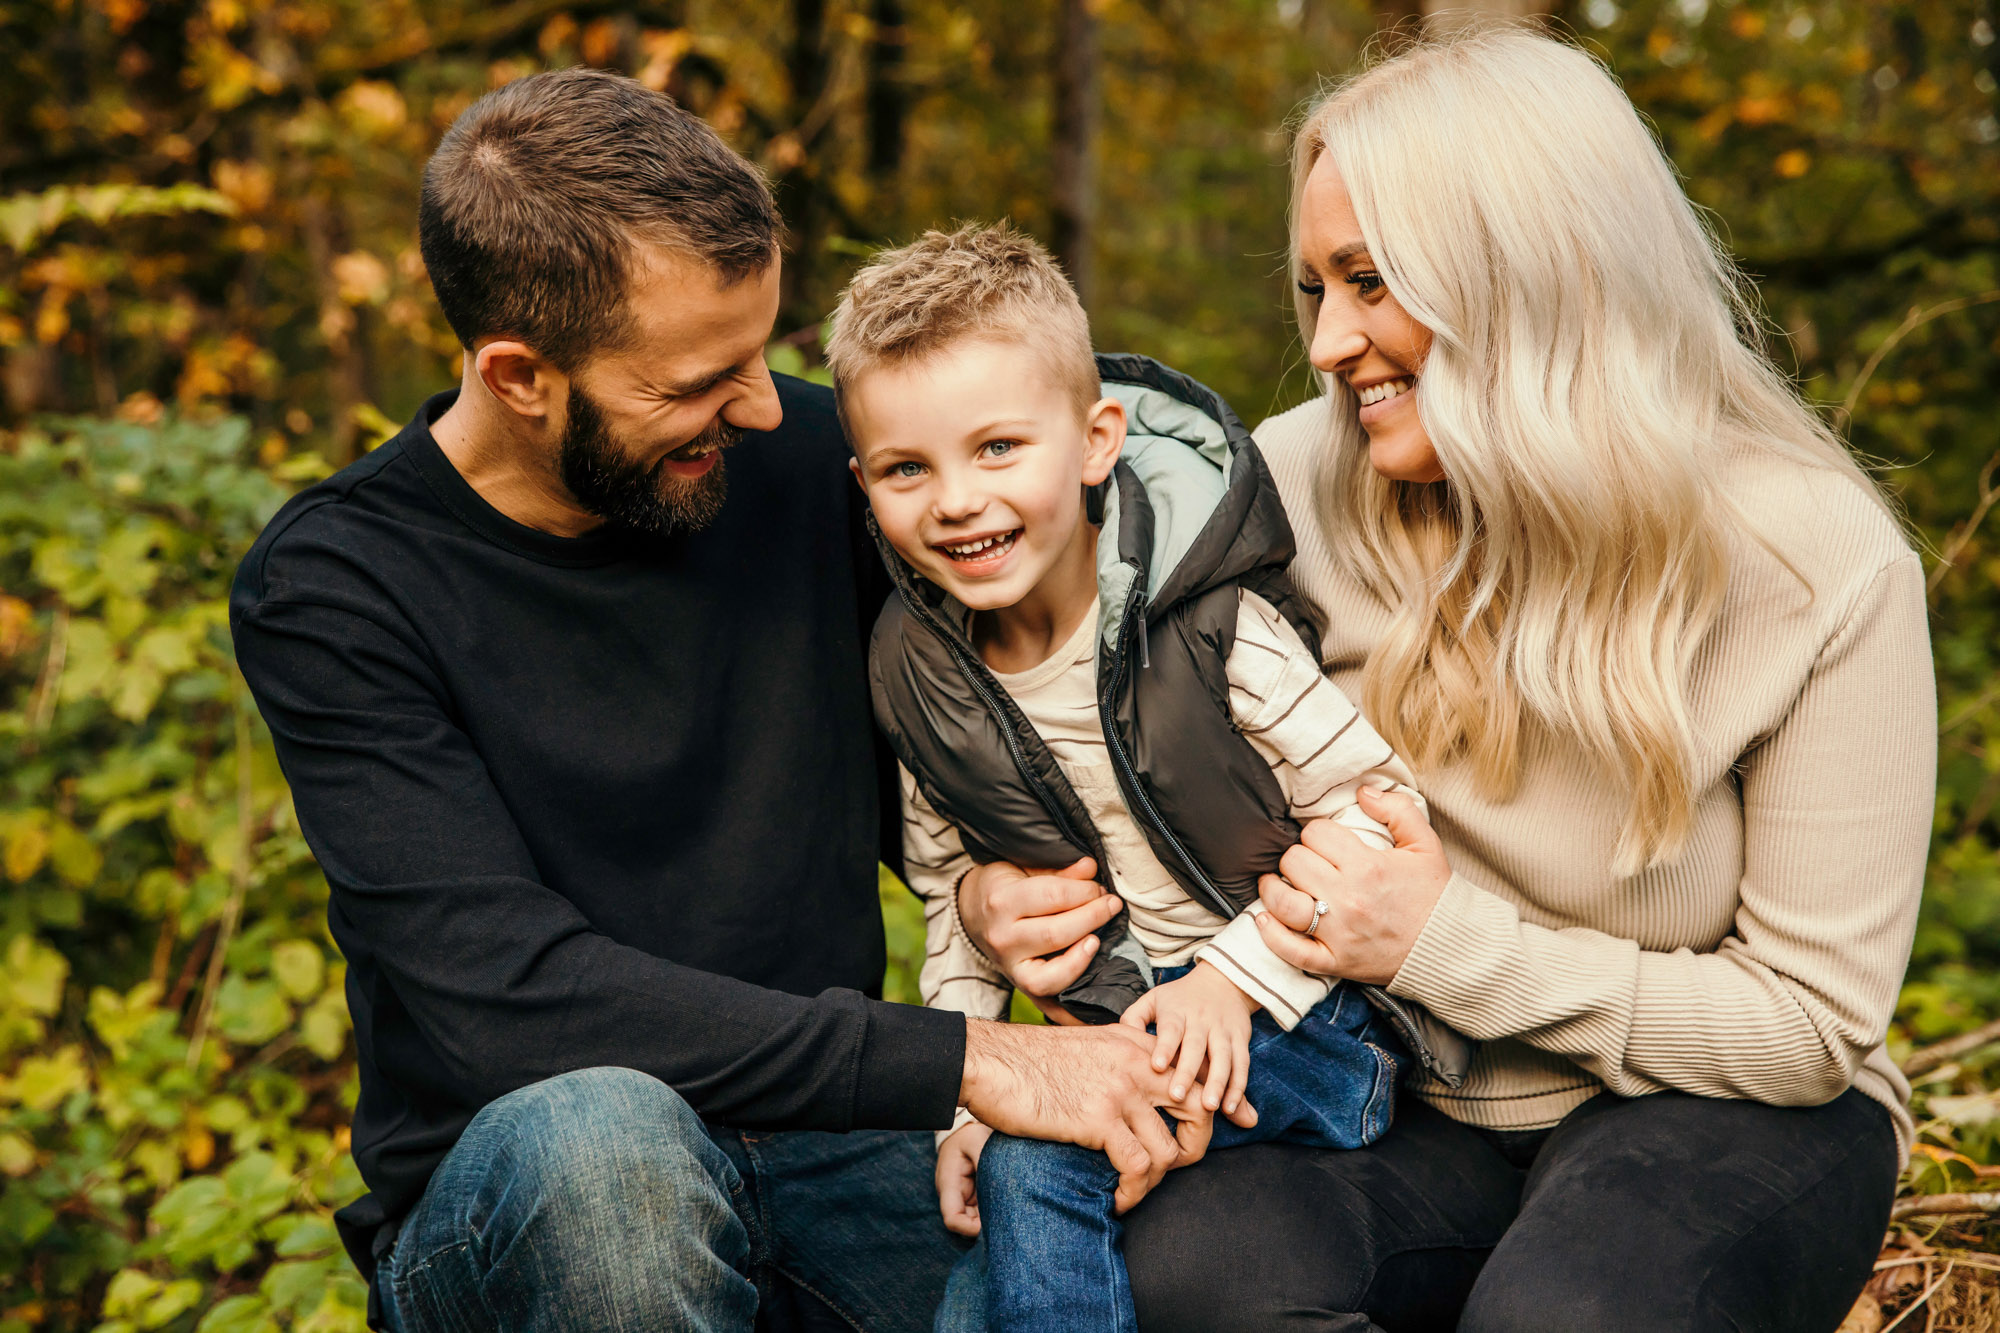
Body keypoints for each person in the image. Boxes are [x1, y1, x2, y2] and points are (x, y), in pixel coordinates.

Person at [953, 28, 1934, 1332]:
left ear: (1526, 270)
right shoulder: (1279, 486)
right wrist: (999, 890)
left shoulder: (1815, 558)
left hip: (1726, 1109)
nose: (1327, 341)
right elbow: (1072, 694)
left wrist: (1445, 944)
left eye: (1370, 280)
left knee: (1575, 1313)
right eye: (1315, 289)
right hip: (1383, 1085)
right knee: (1190, 1272)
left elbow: (1811, 1031)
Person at [230, 69, 1218, 1333]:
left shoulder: (821, 467)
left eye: (761, 352)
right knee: (608, 1144)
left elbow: (1037, 678)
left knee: (1107, 1256)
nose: (756, 406)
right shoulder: (339, 586)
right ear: (519, 374)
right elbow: (507, 1003)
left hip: (834, 1141)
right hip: (528, 1185)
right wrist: (977, 1057)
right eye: (697, 380)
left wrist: (991, 890)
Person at [826, 223, 1465, 1332]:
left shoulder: (1214, 630)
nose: (955, 501)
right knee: (973, 1291)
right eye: (904, 469)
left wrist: (1230, 976)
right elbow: (948, 901)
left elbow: (1384, 817)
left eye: (996, 449)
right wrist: (962, 1104)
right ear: (862, 484)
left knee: (1040, 1157)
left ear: (1093, 440)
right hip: (1111, 1040)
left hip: (1306, 1020)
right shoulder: (917, 676)